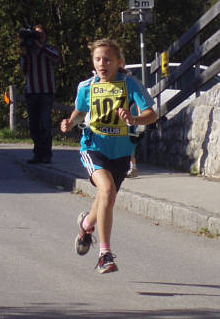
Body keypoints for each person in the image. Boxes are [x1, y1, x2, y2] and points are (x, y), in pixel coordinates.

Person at [60, 39, 156, 274]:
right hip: (93, 148)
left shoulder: (130, 84)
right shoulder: (87, 87)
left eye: (107, 60)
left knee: (107, 198)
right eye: (98, 59)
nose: (102, 64)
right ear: (93, 61)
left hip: (121, 153)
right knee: (107, 190)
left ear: (118, 62)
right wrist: (70, 122)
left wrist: (133, 119)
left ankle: (85, 225)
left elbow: (151, 114)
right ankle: (104, 254)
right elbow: (81, 110)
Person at [20, 24, 60, 164]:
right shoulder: (29, 52)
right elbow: (24, 70)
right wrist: (25, 54)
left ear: (45, 36)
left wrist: (40, 45)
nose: (39, 37)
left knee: (45, 123)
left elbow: (56, 58)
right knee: (34, 125)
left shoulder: (49, 49)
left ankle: (46, 154)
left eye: (41, 34)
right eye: (36, 34)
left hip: (46, 92)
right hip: (32, 92)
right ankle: (37, 154)